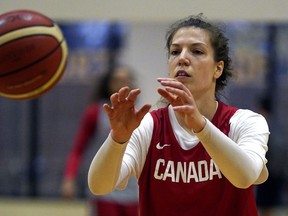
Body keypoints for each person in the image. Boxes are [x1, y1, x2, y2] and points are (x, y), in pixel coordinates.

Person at [88, 14, 270, 216]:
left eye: (197, 51)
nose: (182, 58)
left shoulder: (245, 122)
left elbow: (245, 177)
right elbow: (99, 186)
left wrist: (201, 127)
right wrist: (117, 139)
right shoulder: (149, 125)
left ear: (218, 68)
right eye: (175, 51)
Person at [62, 64, 139, 216]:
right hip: (105, 192)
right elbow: (78, 149)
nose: (122, 84)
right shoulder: (95, 112)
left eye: (126, 80)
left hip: (134, 193)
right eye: (117, 80)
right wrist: (69, 177)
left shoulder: (141, 114)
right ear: (109, 85)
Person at [256, 97, 287, 216]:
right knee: (269, 208)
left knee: (266, 208)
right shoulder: (277, 126)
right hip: (275, 175)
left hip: (268, 174)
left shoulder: (261, 126)